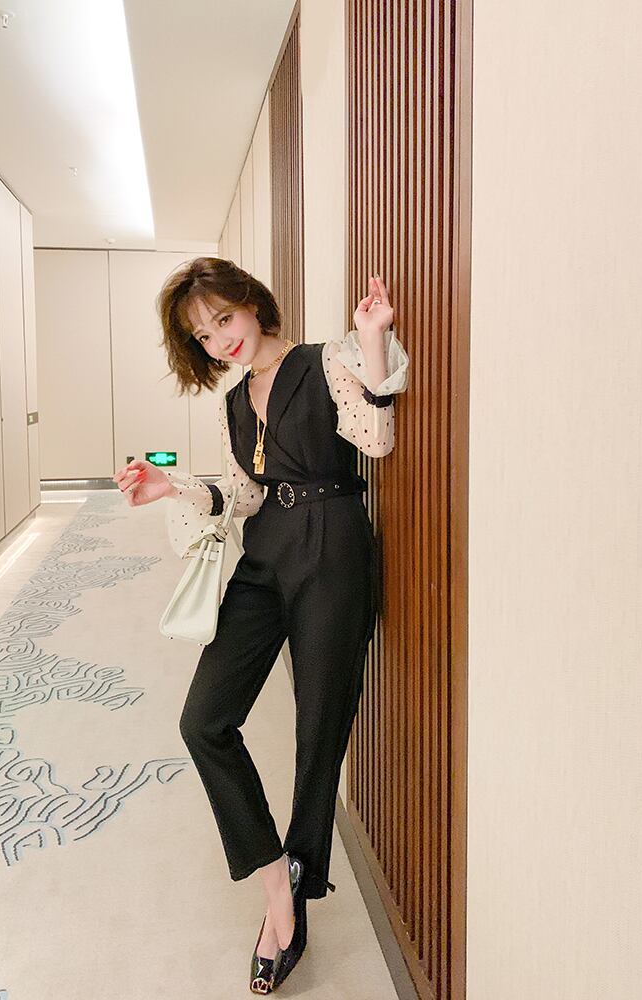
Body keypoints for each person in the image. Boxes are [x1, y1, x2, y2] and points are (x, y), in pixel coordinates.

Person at [113, 257, 409, 993]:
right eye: (203, 335)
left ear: (252, 304)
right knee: (204, 720)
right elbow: (244, 495)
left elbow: (376, 439)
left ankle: (292, 902)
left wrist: (373, 338)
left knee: (320, 727)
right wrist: (171, 486)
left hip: (333, 544)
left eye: (224, 319)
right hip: (266, 552)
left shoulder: (326, 360)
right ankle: (278, 875)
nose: (220, 340)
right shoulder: (233, 402)